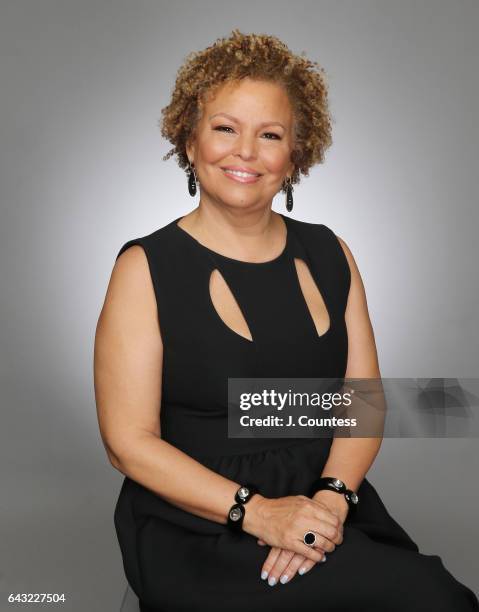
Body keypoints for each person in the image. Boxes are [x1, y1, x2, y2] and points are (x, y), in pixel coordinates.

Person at [94, 30, 479, 611]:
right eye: (225, 128)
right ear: (190, 141)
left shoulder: (332, 252)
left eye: (269, 135)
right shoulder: (143, 267)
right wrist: (258, 513)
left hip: (324, 498)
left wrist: (328, 501)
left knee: (440, 600)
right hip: (195, 520)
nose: (245, 152)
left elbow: (362, 403)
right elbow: (128, 444)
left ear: (294, 155)